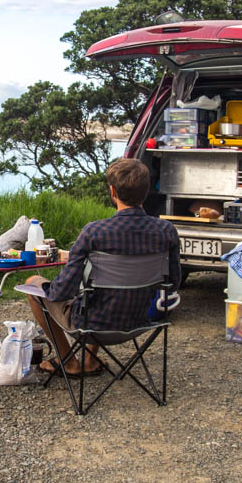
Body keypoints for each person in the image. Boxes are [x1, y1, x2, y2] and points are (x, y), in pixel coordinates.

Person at [24, 157, 180, 375]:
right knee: (100, 294)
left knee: (33, 284)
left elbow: (62, 291)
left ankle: (69, 363)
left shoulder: (94, 232)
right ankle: (89, 361)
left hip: (93, 324)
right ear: (145, 192)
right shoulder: (167, 231)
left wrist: (47, 288)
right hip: (138, 321)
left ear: (113, 192)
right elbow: (173, 283)